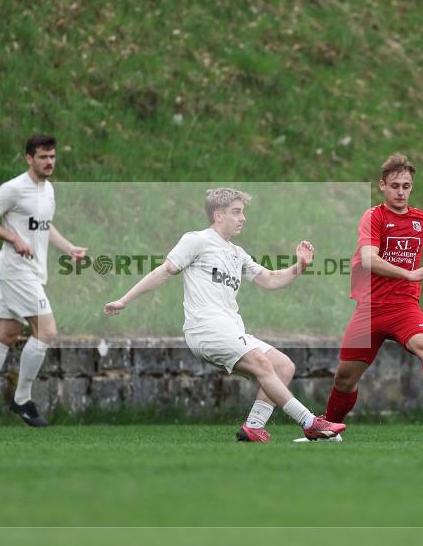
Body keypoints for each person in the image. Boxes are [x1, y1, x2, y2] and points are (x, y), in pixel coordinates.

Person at [103, 188, 346, 443]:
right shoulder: (196, 240)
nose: (243, 218)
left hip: (230, 329)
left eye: (243, 212)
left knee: (283, 366)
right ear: (218, 215)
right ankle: (310, 423)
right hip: (205, 328)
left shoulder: (237, 253)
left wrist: (299, 266)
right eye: (236, 212)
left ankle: (253, 427)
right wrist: (124, 300)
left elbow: (270, 280)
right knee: (262, 364)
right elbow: (164, 271)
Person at [321, 155, 423, 435]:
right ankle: (324, 430)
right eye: (394, 185)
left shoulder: (422, 219)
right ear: (382, 185)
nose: (400, 192)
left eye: (406, 186)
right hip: (369, 309)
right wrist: (408, 273)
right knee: (345, 379)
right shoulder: (374, 217)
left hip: (404, 307)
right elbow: (369, 258)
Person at [0, 134, 86, 427]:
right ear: (29, 158)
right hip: (16, 270)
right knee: (47, 330)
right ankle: (22, 400)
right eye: (43, 157)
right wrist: (12, 238)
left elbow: (43, 226)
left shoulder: (48, 190)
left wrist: (68, 247)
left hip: (32, 271)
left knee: (7, 332)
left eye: (52, 156)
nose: (49, 162)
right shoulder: (13, 188)